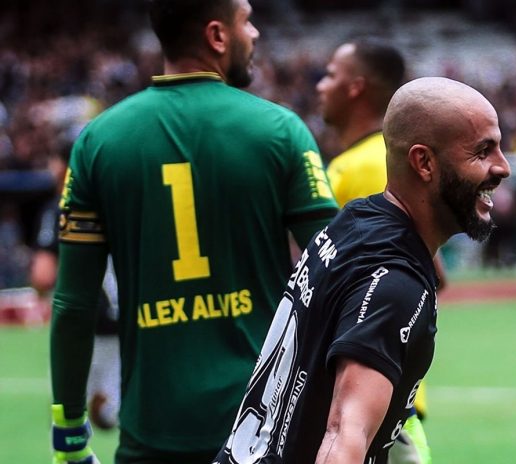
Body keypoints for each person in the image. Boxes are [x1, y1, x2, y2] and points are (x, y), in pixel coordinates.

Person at [50, 0, 338, 462]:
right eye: (247, 20)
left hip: (151, 436)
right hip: (265, 433)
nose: (257, 33)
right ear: (217, 36)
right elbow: (337, 270)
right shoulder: (281, 131)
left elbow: (72, 304)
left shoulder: (97, 141)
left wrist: (67, 433)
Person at [214, 76, 511, 463]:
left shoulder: (355, 221)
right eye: (482, 151)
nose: (502, 167)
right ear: (424, 162)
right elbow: (344, 435)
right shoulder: (396, 285)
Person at [316, 38, 436, 464]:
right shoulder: (378, 160)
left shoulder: (359, 168)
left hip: (364, 400)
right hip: (390, 393)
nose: (319, 85)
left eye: (330, 74)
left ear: (356, 87)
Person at [31, 152, 121, 430]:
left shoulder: (61, 206)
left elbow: (42, 276)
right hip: (128, 320)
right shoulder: (122, 202)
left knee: (68, 415)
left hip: (82, 320)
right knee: (113, 413)